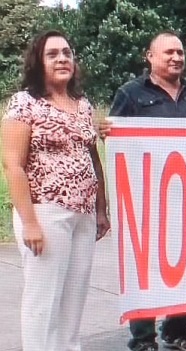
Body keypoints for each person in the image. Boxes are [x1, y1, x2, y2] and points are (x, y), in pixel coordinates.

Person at [1, 30, 110, 351]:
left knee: (74, 297)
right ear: (39, 62)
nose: (62, 58)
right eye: (53, 54)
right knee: (44, 298)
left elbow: (93, 158)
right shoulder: (24, 103)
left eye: (67, 53)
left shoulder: (84, 105)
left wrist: (102, 209)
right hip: (45, 212)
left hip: (84, 213)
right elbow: (13, 164)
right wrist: (30, 222)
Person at [98, 31, 186, 351]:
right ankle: (143, 340)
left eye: (180, 52)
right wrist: (107, 131)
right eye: (168, 53)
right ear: (150, 57)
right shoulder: (131, 94)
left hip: (185, 198)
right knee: (143, 269)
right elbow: (113, 139)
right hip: (145, 198)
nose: (176, 58)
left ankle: (177, 331)